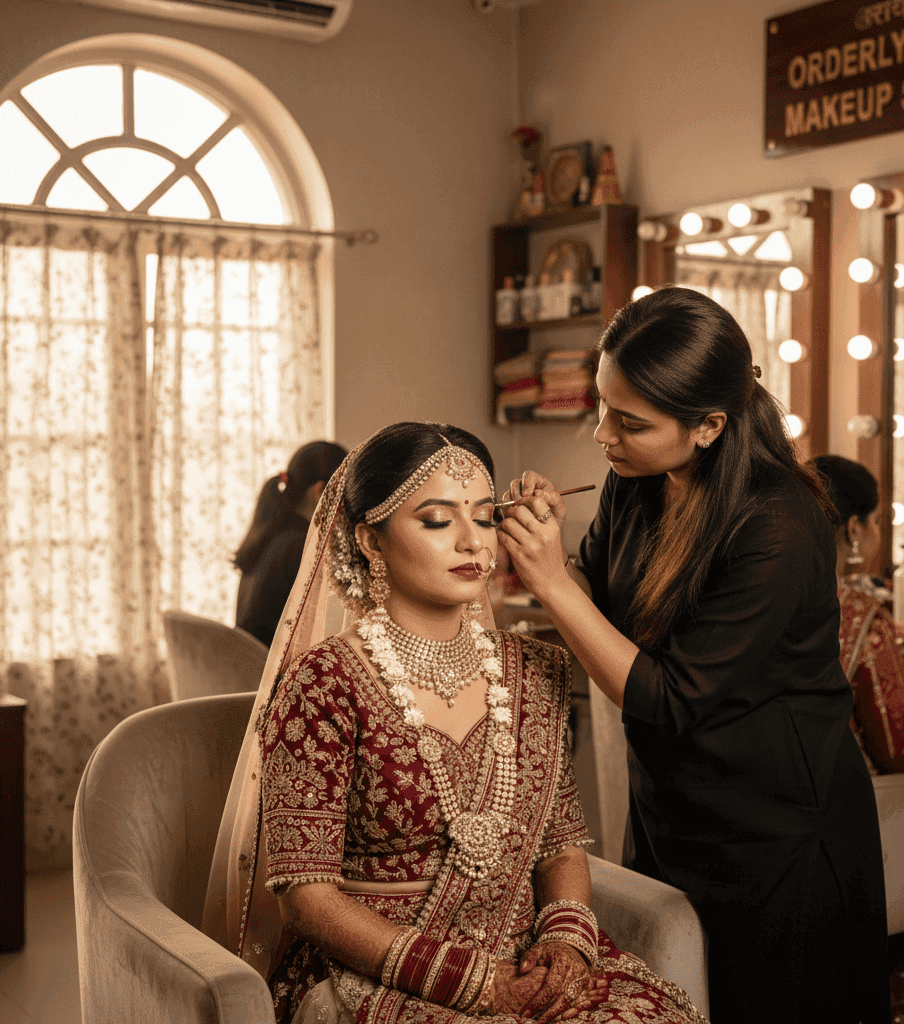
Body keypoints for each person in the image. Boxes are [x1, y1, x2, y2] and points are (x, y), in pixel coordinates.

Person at [203, 422, 709, 1024]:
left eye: (486, 517)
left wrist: (565, 942)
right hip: (376, 973)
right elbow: (307, 899)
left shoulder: (534, 671)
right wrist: (480, 985)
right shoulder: (325, 684)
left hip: (525, 957)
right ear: (371, 540)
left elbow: (560, 848)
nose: (473, 542)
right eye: (439, 521)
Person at [495, 287, 888, 1023]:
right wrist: (546, 544)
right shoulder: (636, 484)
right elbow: (593, 590)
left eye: (630, 422)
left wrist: (547, 580)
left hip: (778, 830)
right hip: (675, 807)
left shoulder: (778, 522)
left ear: (709, 425)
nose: (602, 434)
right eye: (603, 406)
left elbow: (668, 698)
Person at [812, 453, 904, 774]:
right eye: (876, 521)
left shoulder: (761, 596)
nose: (877, 531)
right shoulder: (863, 619)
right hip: (841, 791)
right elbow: (895, 747)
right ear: (854, 529)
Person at [234, 440, 347, 646]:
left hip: (250, 660)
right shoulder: (302, 546)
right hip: (273, 663)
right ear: (319, 491)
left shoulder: (272, 536)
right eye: (346, 494)